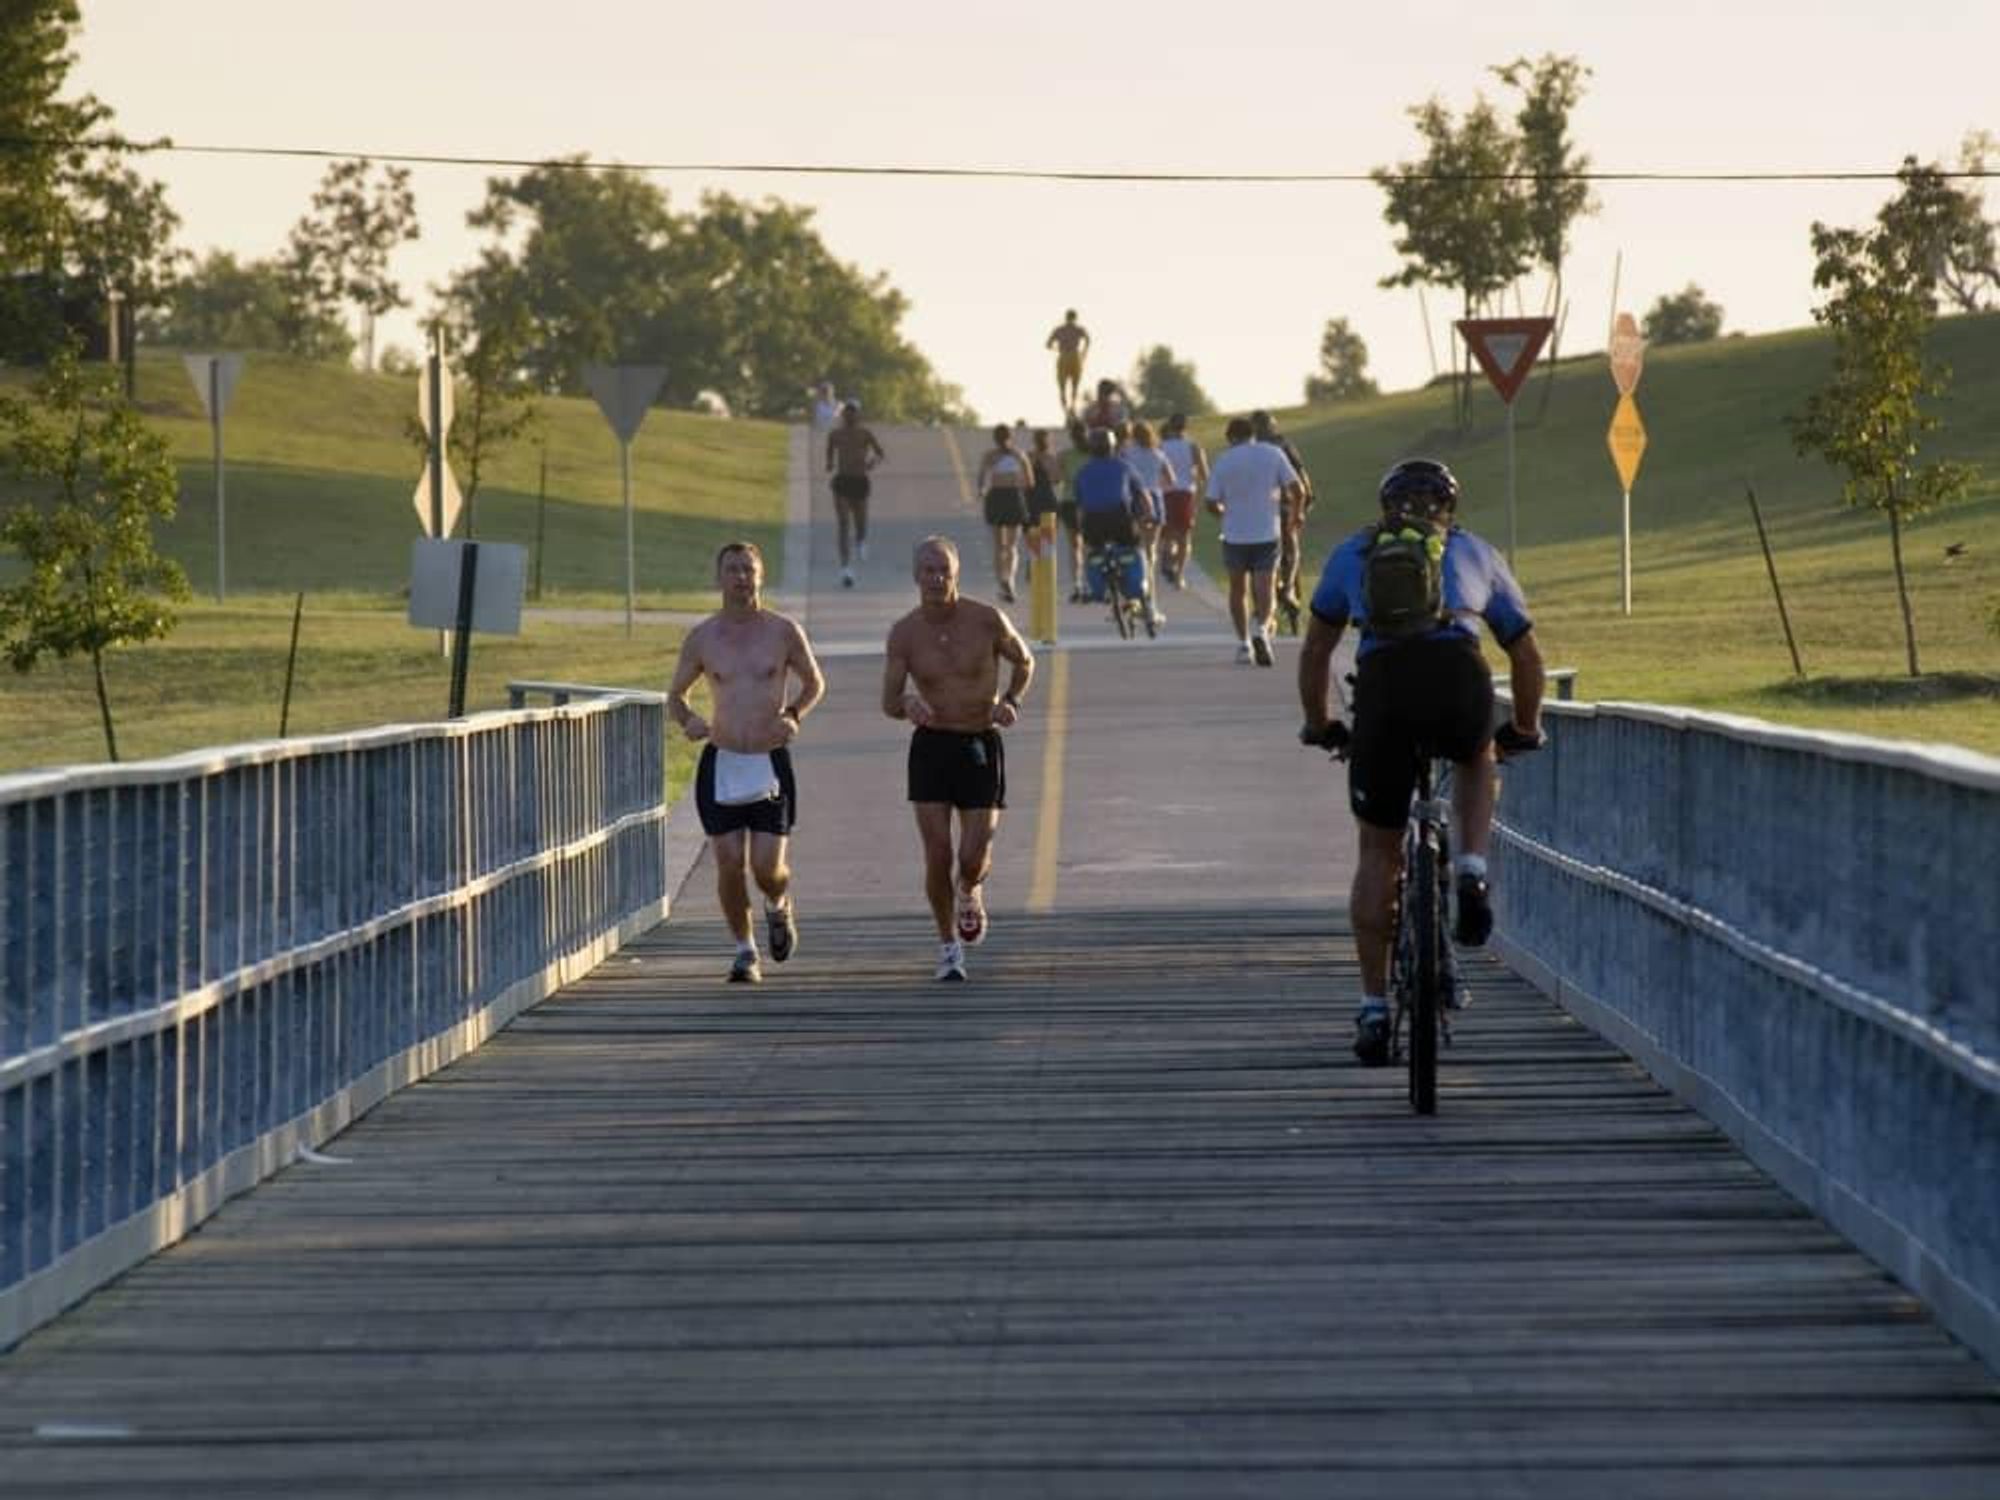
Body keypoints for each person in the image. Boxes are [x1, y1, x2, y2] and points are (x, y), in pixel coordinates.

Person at [1295, 458, 1546, 1064]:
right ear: (1448, 510)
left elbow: (1316, 650)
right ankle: (1470, 867)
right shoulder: (1475, 552)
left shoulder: (1354, 553)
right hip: (1457, 677)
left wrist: (1321, 724)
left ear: (1386, 509)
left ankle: (1375, 1009)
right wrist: (1527, 727)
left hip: (1384, 690)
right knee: (1476, 752)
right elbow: (1526, 653)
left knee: (1378, 850)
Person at [666, 541, 827, 984]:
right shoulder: (704, 637)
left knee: (766, 868)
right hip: (722, 759)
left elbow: (814, 683)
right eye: (732, 570)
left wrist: (793, 714)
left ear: (761, 576)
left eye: (748, 570)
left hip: (768, 759)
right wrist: (690, 720)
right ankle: (744, 950)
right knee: (728, 861)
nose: (740, 577)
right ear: (718, 578)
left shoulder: (782, 631)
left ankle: (778, 905)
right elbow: (674, 697)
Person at [882, 537, 1035, 981]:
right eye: (928, 570)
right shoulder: (905, 633)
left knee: (973, 853)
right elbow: (888, 701)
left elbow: (1024, 662)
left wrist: (1012, 700)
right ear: (916, 576)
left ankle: (969, 889)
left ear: (957, 573)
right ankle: (948, 946)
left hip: (978, 742)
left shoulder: (986, 619)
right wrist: (907, 704)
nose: (936, 578)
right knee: (938, 852)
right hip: (931, 746)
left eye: (944, 570)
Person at [1204, 415, 1301, 666]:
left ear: (1230, 438)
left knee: (1238, 590)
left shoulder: (1224, 461)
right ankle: (1262, 631)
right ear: (1253, 434)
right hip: (1267, 531)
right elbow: (1297, 489)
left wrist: (1223, 514)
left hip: (1235, 534)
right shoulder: (1273, 453)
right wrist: (1295, 516)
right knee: (1265, 586)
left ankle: (1244, 644)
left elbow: (1211, 502)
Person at [1252, 409, 1315, 633]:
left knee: (1260, 556)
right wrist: (1308, 499)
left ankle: (1262, 606)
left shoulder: (1250, 449)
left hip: (1259, 510)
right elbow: (1300, 474)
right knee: (1292, 549)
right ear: (1273, 426)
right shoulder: (1282, 445)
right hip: (1285, 504)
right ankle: (1288, 588)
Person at [824, 401, 885, 588]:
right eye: (847, 413)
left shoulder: (865, 434)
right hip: (842, 481)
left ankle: (861, 540)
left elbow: (880, 453)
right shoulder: (835, 434)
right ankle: (846, 568)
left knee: (861, 523)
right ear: (843, 415)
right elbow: (829, 453)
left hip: (860, 481)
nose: (850, 416)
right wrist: (829, 464)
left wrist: (871, 464)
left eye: (854, 413)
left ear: (858, 415)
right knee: (843, 523)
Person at [1120, 419, 1172, 627]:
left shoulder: (1127, 454)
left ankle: (1134, 599)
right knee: (1150, 554)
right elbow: (1171, 479)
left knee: (1134, 551)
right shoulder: (1158, 455)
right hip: (1155, 499)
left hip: (1135, 500)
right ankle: (1150, 604)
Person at [974, 423, 1033, 603]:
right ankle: (1009, 581)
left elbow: (982, 477)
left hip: (998, 497)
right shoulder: (1018, 455)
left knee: (1000, 546)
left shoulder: (991, 456)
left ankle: (1003, 581)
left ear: (995, 438)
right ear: (1010, 437)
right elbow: (1030, 481)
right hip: (1013, 496)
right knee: (1011, 546)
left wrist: (982, 490)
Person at [1156, 412, 1209, 590]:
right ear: (1186, 427)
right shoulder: (1193, 447)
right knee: (1184, 538)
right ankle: (1179, 576)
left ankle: (1167, 557)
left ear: (1170, 426)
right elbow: (1204, 474)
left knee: (1167, 535)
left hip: (1165, 493)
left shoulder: (1160, 447)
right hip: (1185, 493)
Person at [1057, 418, 1092, 602]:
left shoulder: (1065, 455)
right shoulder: (1093, 454)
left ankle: (1077, 584)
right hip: (1089, 502)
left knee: (1075, 546)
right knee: (1088, 545)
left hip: (1070, 501)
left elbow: (1057, 477)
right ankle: (1087, 583)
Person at [1047, 310, 1090, 413]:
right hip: (1073, 356)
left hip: (1066, 356)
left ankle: (1070, 407)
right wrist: (1083, 352)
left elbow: (1048, 344)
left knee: (1067, 385)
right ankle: (1070, 407)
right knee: (1070, 385)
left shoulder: (1061, 329)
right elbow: (1087, 340)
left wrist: (1057, 349)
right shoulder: (1076, 329)